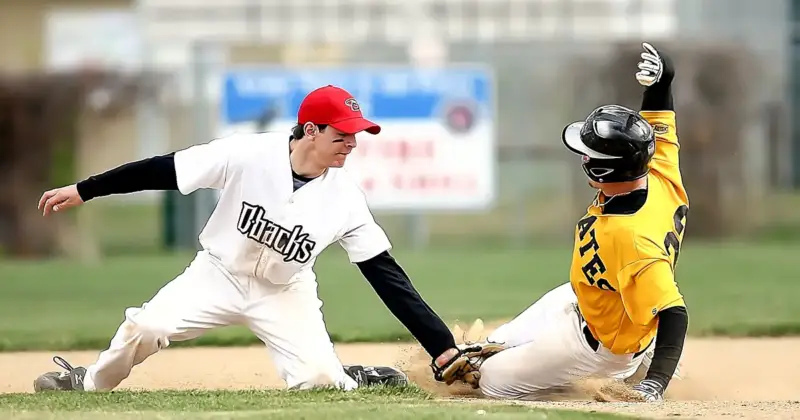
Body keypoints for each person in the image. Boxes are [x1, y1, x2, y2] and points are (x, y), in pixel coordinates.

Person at [33, 84, 485, 392]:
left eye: (357, 135)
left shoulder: (345, 198)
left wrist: (441, 346)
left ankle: (352, 377)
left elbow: (386, 276)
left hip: (284, 293)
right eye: (343, 134)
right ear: (310, 130)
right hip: (217, 275)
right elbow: (163, 169)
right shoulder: (247, 153)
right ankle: (87, 382)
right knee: (147, 326)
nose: (352, 142)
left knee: (320, 383)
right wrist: (85, 189)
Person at [443, 43, 689, 402]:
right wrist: (661, 81)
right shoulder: (657, 170)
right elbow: (657, 121)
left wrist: (655, 383)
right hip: (589, 296)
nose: (584, 155)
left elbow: (674, 312)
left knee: (491, 383)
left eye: (590, 153)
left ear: (602, 169)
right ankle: (509, 349)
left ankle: (594, 378)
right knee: (493, 345)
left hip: (599, 346)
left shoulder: (633, 238)